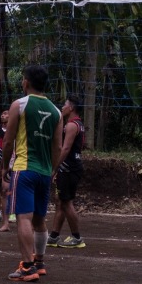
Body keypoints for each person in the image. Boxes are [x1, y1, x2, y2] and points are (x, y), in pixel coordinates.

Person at [1, 65, 62, 282]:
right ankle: (40, 262)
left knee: (23, 218)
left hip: (24, 169)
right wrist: (52, 170)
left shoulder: (20, 105)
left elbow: (8, 141)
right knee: (39, 219)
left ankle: (27, 266)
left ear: (26, 82)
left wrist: (4, 166)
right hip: (45, 172)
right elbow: (57, 147)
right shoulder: (56, 112)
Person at [48, 94, 86, 248]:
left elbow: (65, 148)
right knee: (61, 202)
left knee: (66, 202)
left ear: (71, 108)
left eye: (64, 105)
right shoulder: (78, 124)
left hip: (69, 168)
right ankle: (54, 236)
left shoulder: (71, 125)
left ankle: (77, 238)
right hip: (70, 167)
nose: (62, 107)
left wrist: (55, 167)